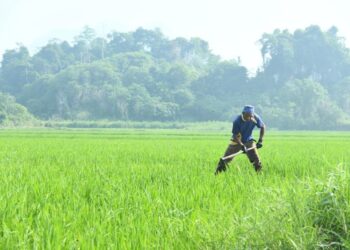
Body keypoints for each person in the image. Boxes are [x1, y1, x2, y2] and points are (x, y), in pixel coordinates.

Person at [215, 105, 265, 174]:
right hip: (236, 141)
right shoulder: (237, 121)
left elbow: (262, 127)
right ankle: (217, 175)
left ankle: (260, 175)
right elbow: (235, 135)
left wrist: (260, 140)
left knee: (256, 160)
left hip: (249, 141)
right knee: (225, 160)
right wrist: (241, 145)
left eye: (251, 116)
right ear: (243, 113)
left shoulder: (255, 117)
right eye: (248, 116)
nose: (250, 118)